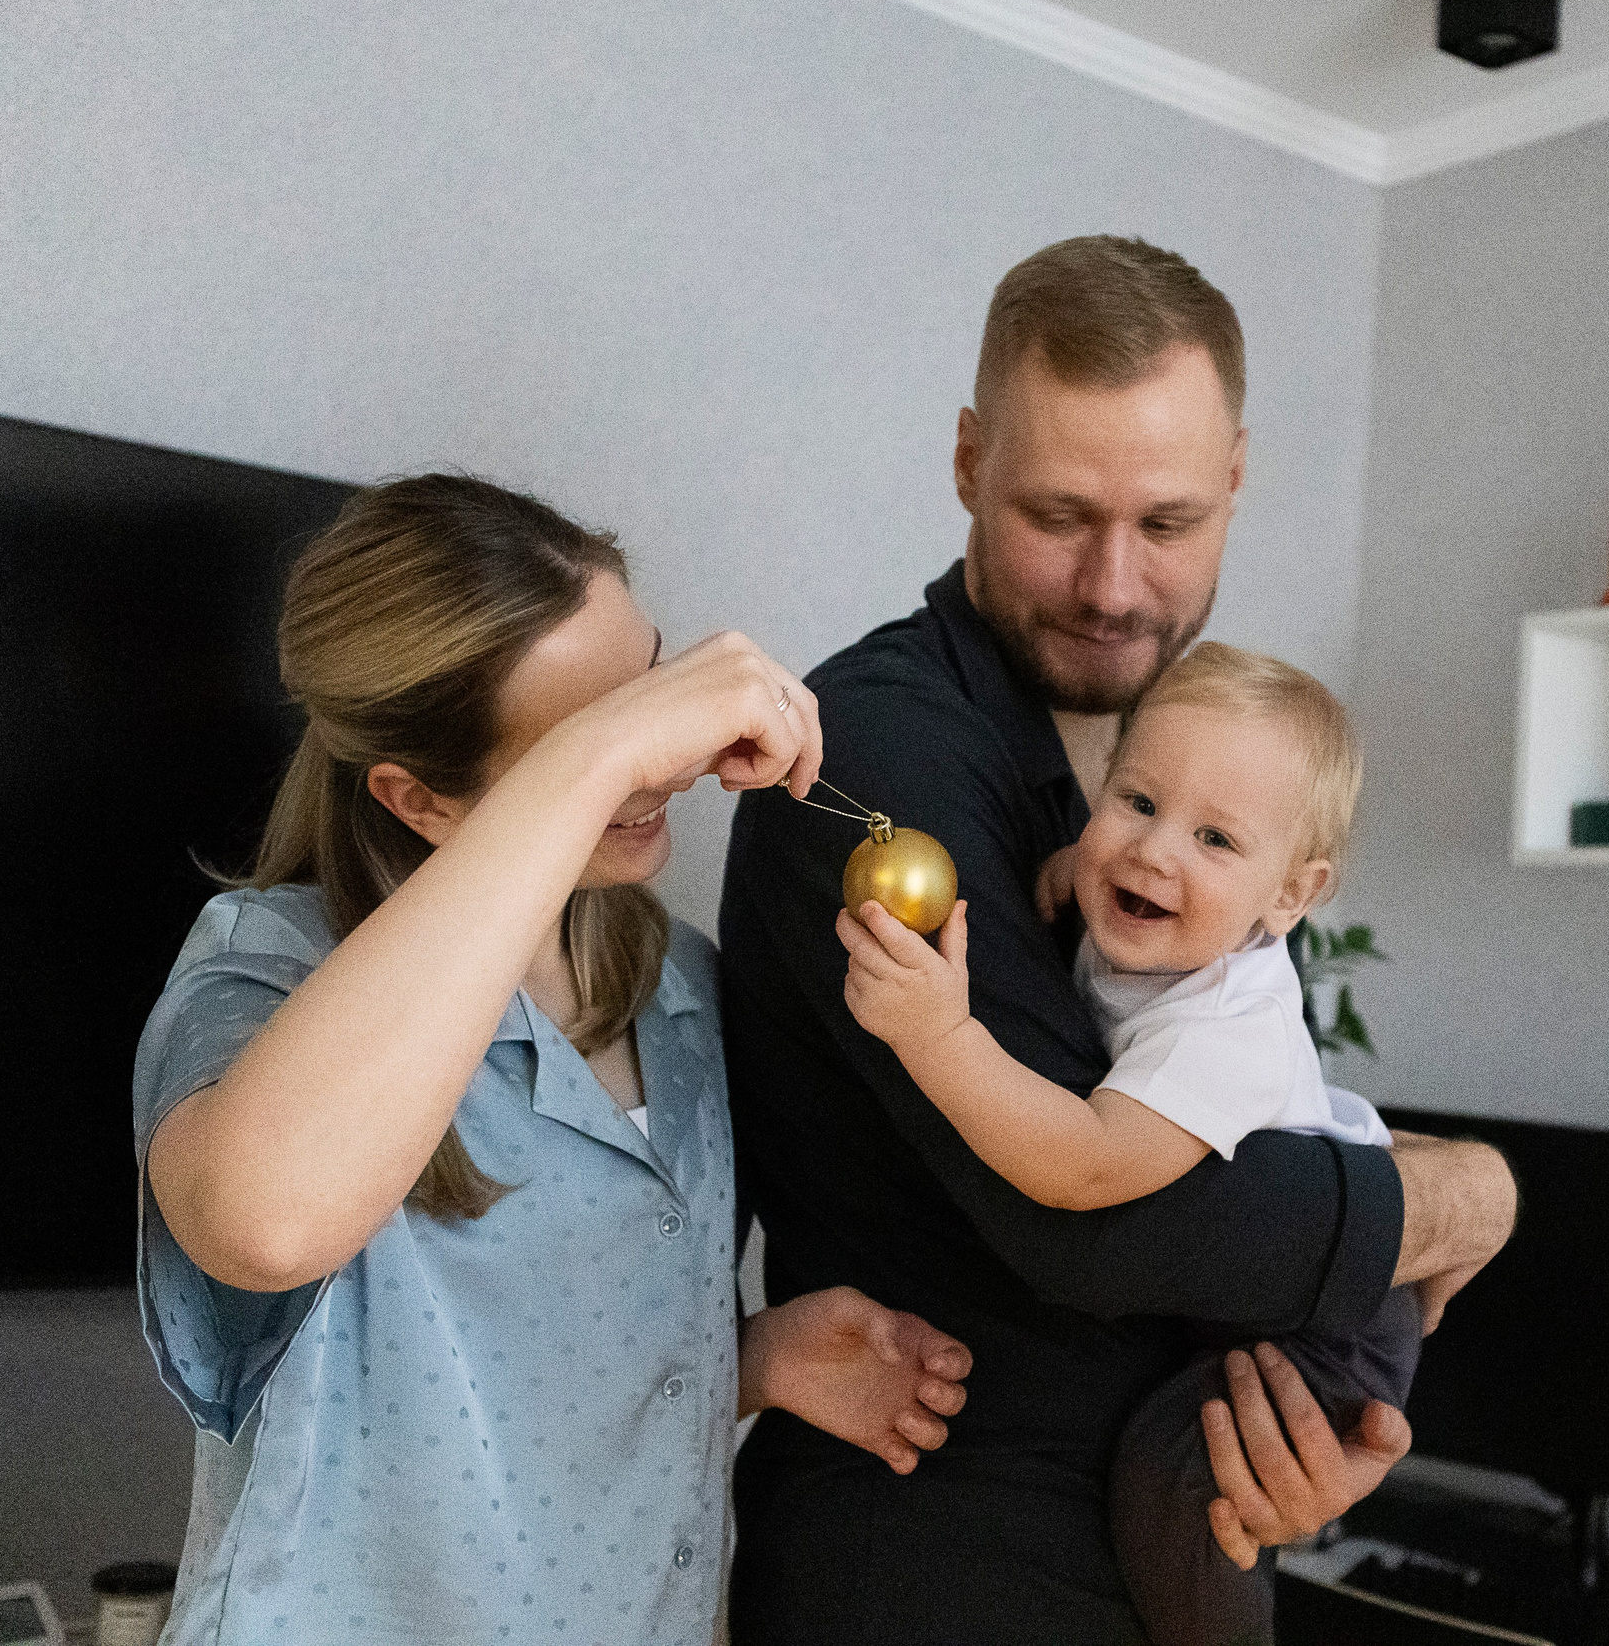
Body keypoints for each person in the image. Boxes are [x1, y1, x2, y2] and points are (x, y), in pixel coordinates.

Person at [719, 236, 1518, 1643]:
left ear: (1238, 479)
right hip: (948, 1561)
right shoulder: (884, 756)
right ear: (968, 461)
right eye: (1058, 512)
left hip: (1145, 1535)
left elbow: (1228, 1125)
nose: (1112, 585)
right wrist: (1457, 1199)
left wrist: (1293, 1427)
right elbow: (1093, 1216)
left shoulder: (1188, 770)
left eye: (1169, 522)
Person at [132, 475, 974, 1645]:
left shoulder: (680, 984)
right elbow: (263, 1223)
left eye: (652, 681)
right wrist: (602, 752)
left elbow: (510, 1374)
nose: (669, 762)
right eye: (584, 740)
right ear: (417, 796)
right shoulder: (264, 969)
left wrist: (746, 1361)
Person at [841, 641, 1441, 1646]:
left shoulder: (1224, 1028)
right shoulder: (1132, 899)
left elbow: (1082, 1168)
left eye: (1216, 839)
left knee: (1182, 1473)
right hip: (1265, 1277)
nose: (1156, 852)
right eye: (1137, 802)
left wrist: (936, 1035)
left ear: (1290, 897)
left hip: (1331, 1321)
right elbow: (1115, 859)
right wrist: (1070, 863)